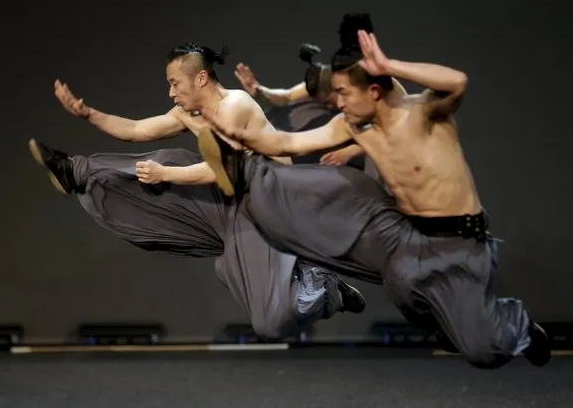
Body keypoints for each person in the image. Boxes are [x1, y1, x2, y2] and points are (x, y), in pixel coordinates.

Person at [196, 18, 550, 368]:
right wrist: (236, 135)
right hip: (404, 233)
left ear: (374, 91)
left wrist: (390, 65)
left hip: (459, 242)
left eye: (344, 93)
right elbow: (285, 141)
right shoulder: (353, 125)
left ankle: (516, 327)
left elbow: (458, 82)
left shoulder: (423, 113)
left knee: (483, 351)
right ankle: (243, 169)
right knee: (323, 193)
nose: (338, 102)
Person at [28, 42, 365, 340]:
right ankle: (74, 170)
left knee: (270, 324)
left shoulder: (236, 106)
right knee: (161, 159)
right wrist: (88, 114)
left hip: (269, 208)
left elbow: (224, 168)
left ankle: (327, 289)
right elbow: (135, 130)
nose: (171, 92)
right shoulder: (187, 113)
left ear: (200, 79)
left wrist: (166, 174)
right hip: (227, 202)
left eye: (175, 83)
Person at [234, 43, 365, 167]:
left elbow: (378, 133)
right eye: (326, 103)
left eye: (328, 102)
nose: (337, 104)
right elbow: (286, 96)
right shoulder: (322, 87)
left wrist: (350, 151)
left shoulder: (361, 99)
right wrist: (259, 90)